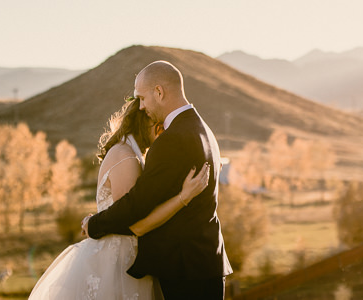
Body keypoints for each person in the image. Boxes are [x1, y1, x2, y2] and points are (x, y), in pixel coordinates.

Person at [29, 97, 210, 300]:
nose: (162, 132)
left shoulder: (129, 153)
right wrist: (183, 197)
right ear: (145, 124)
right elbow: (137, 223)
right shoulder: (127, 157)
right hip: (119, 262)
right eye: (158, 125)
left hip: (126, 256)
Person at [84, 61, 233, 300]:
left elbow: (138, 205)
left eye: (142, 98)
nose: (141, 107)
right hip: (207, 262)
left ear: (159, 92)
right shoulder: (203, 129)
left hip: (185, 270)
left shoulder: (172, 140)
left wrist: (94, 225)